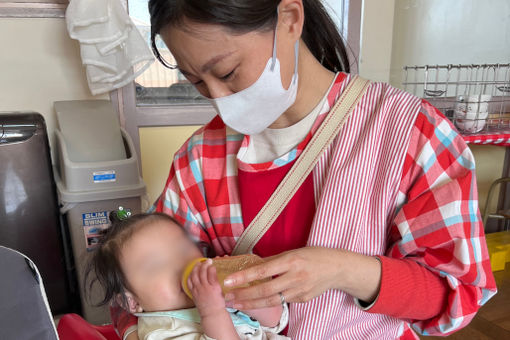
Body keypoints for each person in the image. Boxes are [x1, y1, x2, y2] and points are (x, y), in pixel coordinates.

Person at [116, 0, 497, 339]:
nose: (218, 99)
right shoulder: (198, 160)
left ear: (290, 18)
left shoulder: (411, 134)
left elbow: (455, 294)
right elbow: (139, 288)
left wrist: (341, 269)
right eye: (198, 82)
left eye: (228, 71)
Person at [87, 212, 289, 340]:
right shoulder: (161, 332)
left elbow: (275, 322)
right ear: (131, 302)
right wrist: (212, 312)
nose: (180, 264)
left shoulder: (217, 294)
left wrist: (246, 295)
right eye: (156, 264)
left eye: (184, 248)